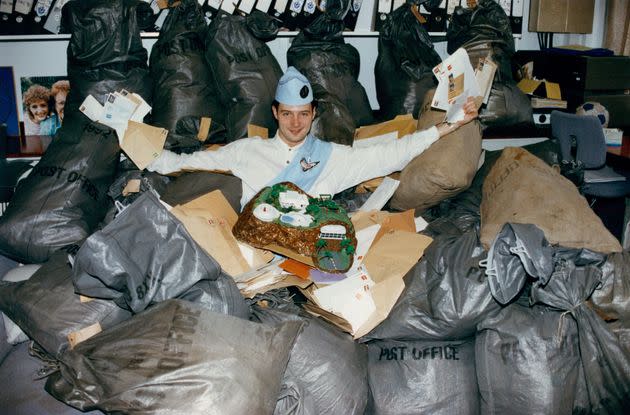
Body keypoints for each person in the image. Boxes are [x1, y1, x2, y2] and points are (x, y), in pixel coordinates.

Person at [148, 66, 478, 209]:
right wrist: (126, 131)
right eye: (288, 114)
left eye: (303, 114)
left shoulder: (332, 156)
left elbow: (393, 154)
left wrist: (449, 125)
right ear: (275, 113)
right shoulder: (246, 151)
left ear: (314, 114)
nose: (295, 123)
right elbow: (182, 163)